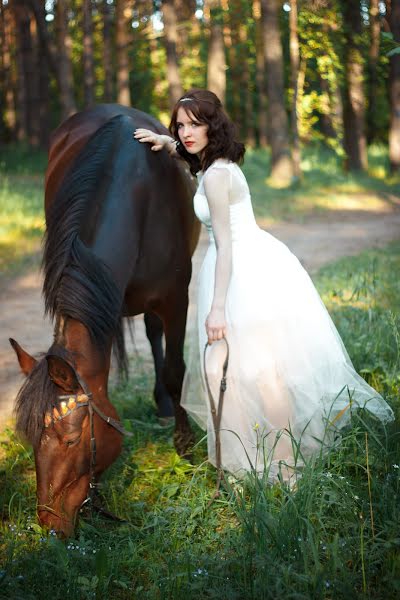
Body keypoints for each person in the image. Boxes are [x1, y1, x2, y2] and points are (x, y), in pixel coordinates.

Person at [134, 89, 394, 482]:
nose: (186, 132)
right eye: (181, 125)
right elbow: (193, 163)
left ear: (213, 125)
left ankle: (288, 470)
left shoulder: (219, 175)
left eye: (195, 124)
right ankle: (246, 462)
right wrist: (165, 143)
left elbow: (224, 244)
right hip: (238, 264)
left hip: (243, 271)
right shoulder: (211, 164)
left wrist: (217, 309)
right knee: (232, 371)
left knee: (261, 371)